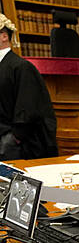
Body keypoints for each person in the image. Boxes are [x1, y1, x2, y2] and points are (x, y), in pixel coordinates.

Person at [0, 14, 58, 160]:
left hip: (13, 143)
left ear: (4, 36)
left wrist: (14, 138)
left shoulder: (21, 67)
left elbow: (28, 108)